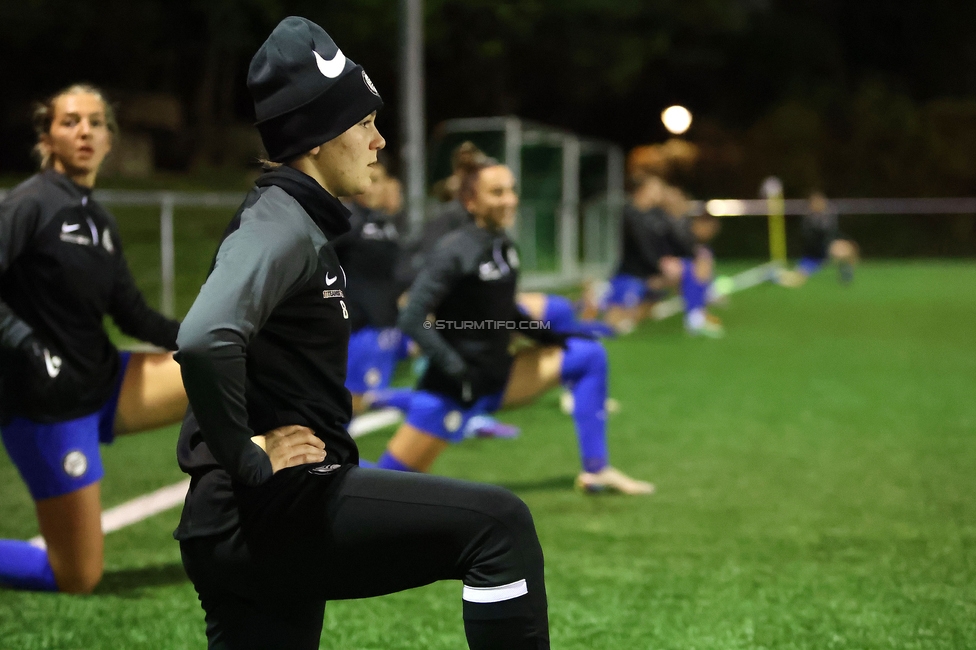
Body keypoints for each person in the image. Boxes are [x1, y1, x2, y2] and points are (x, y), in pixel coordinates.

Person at [174, 18, 550, 649]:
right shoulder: (281, 223)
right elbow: (204, 337)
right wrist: (246, 455)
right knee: (499, 526)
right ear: (318, 137)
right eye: (364, 123)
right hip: (269, 511)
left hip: (247, 522)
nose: (379, 141)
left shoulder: (298, 221)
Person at [373, 158, 654, 495]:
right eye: (497, 192)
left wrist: (552, 336)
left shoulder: (502, 246)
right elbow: (410, 317)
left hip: (500, 377)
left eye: (511, 190)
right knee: (388, 485)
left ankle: (597, 471)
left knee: (589, 355)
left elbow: (505, 311)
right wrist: (456, 369)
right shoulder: (454, 250)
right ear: (471, 202)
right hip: (454, 389)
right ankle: (311, 466)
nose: (509, 199)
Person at [0, 84, 186, 593]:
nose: (85, 130)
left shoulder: (98, 220)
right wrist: (28, 345)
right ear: (47, 137)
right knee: (78, 575)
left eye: (96, 122)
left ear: (109, 139)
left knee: (227, 365)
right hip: (48, 405)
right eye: (70, 121)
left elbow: (132, 314)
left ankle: (263, 508)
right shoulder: (29, 204)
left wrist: (205, 335)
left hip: (103, 382)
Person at [597, 174, 723, 337]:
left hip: (654, 272)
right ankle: (598, 295)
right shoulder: (630, 213)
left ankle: (696, 316)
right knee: (616, 324)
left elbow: (675, 244)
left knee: (697, 262)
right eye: (655, 189)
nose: (659, 193)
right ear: (643, 191)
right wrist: (658, 268)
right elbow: (642, 249)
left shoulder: (657, 214)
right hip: (634, 274)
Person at [332, 163, 412, 415]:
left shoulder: (385, 224)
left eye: (376, 179)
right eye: (365, 178)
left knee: (363, 400)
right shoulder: (346, 219)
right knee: (352, 403)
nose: (369, 185)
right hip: (358, 327)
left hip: (383, 325)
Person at [778, 191, 859, 287]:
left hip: (826, 248)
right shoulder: (808, 218)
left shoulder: (828, 214)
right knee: (797, 280)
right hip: (814, 255)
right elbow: (811, 238)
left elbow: (831, 233)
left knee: (848, 248)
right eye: (815, 202)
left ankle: (846, 270)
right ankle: (775, 276)